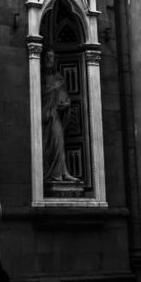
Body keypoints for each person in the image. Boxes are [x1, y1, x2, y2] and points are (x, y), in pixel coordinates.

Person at [41, 52, 80, 184]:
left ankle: (63, 172)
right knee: (46, 146)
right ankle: (48, 174)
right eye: (47, 56)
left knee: (59, 142)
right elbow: (37, 93)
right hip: (43, 116)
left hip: (55, 115)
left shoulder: (58, 78)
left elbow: (63, 96)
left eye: (51, 56)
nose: (49, 59)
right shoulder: (40, 76)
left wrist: (67, 103)